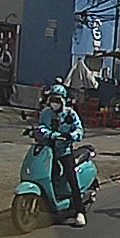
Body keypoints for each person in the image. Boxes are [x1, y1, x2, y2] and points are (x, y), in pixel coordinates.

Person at [38, 84, 87, 227]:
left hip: (65, 151)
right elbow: (42, 127)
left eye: (58, 100)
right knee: (47, 175)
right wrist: (49, 134)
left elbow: (79, 130)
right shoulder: (46, 113)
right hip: (48, 150)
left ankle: (80, 211)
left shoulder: (70, 114)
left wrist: (70, 135)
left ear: (63, 101)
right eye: (53, 100)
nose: (55, 103)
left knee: (71, 179)